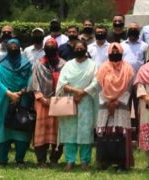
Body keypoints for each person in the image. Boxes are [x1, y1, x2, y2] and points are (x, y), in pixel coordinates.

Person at [56, 42, 99, 171]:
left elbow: (96, 81)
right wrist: (75, 92)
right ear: (74, 50)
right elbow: (62, 82)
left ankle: (85, 161)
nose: (79, 49)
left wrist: (83, 92)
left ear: (86, 49)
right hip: (70, 100)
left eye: (81, 48)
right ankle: (70, 160)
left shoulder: (92, 65)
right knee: (70, 131)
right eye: (77, 48)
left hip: (86, 101)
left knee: (85, 131)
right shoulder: (68, 65)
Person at [0, 38, 33, 166]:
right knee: (4, 129)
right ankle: (3, 159)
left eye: (16, 46)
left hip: (22, 100)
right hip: (4, 101)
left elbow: (30, 80)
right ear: (7, 49)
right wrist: (9, 93)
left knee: (22, 127)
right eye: (11, 46)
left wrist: (20, 93)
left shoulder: (27, 65)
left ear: (20, 48)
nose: (13, 48)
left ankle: (19, 159)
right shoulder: (0, 65)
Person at [95, 43, 135, 170]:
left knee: (121, 133)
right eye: (112, 51)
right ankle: (104, 161)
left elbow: (129, 87)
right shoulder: (103, 68)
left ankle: (122, 163)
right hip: (105, 106)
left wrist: (117, 102)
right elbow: (98, 87)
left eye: (117, 51)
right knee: (105, 133)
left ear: (122, 52)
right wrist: (108, 103)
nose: (115, 54)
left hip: (121, 105)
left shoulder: (128, 68)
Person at [31, 39, 66, 167]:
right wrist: (41, 98)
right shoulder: (38, 64)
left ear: (56, 48)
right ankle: (41, 160)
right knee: (41, 132)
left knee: (58, 132)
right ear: (44, 49)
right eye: (48, 47)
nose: (50, 49)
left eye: (52, 46)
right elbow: (34, 82)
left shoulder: (63, 64)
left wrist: (56, 99)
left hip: (58, 102)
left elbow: (65, 82)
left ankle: (54, 159)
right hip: (41, 102)